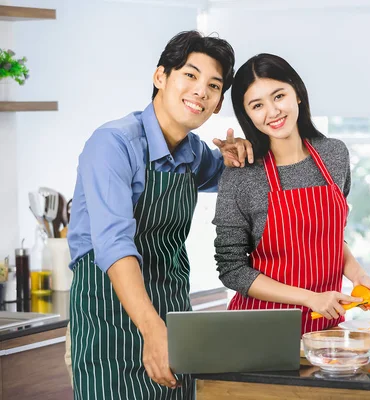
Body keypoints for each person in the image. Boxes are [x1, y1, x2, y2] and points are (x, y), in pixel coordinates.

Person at [67, 30, 253, 399]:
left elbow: (223, 171)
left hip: (172, 318)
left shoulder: (193, 153)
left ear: (217, 105)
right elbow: (114, 245)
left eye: (213, 86)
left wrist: (238, 155)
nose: (201, 91)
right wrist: (152, 332)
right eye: (190, 75)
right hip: (110, 327)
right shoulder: (113, 144)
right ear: (160, 77)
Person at [213, 53, 370, 334]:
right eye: (257, 105)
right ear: (248, 115)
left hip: (326, 332)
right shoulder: (241, 175)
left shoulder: (334, 155)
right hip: (259, 333)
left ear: (298, 94)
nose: (272, 111)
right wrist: (309, 298)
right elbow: (232, 270)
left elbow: (328, 238)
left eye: (278, 96)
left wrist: (358, 275)